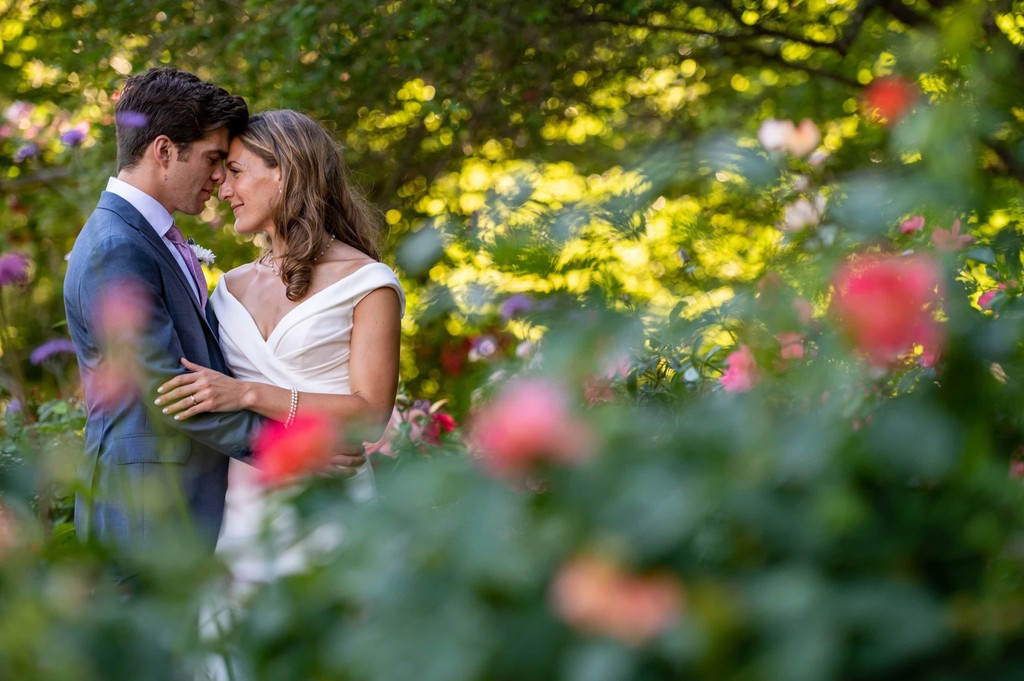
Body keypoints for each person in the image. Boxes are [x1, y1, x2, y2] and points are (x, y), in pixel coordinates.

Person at [63, 69, 364, 557]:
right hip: (147, 518)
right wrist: (298, 451)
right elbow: (173, 393)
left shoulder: (145, 236)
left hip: (191, 512)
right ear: (164, 152)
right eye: (212, 159)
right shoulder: (115, 247)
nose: (220, 177)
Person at [153, 109, 404, 581]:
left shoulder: (368, 283)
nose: (222, 191)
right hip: (243, 512)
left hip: (333, 512)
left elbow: (371, 413)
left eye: (235, 173)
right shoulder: (226, 289)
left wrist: (247, 392)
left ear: (284, 172)